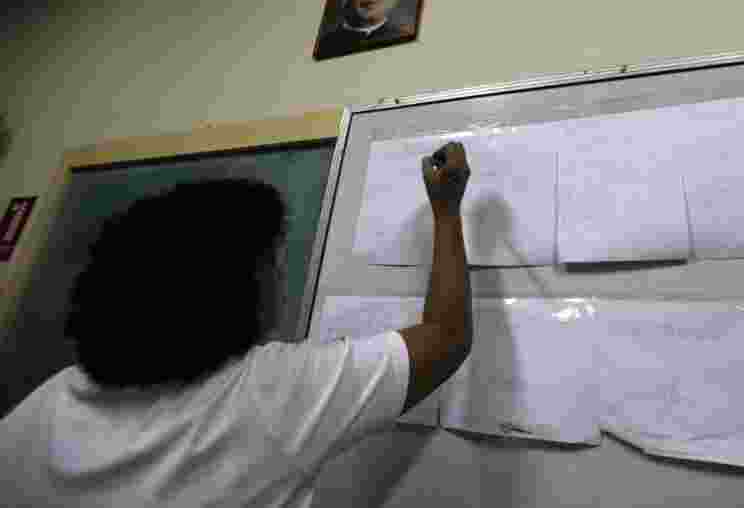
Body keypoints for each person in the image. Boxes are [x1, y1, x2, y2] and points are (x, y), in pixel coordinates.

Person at [0, 142, 474, 507]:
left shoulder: (44, 406)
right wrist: (447, 210)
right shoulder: (263, 394)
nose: (280, 280)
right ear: (231, 288)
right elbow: (448, 337)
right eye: (270, 264)